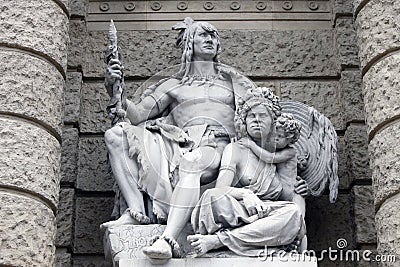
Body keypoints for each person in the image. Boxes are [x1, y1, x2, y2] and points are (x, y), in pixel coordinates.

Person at [101, 18, 309, 261]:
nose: (211, 39)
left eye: (214, 36)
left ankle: (167, 240)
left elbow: (261, 116)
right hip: (180, 145)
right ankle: (136, 211)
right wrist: (115, 89)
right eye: (204, 35)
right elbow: (136, 115)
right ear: (189, 42)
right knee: (115, 135)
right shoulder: (173, 85)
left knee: (194, 161)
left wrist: (282, 160)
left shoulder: (232, 82)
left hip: (220, 146)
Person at [188, 87, 306, 257]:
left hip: (267, 214)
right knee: (211, 198)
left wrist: (300, 191)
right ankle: (242, 237)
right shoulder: (235, 149)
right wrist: (245, 195)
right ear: (243, 120)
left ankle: (219, 240)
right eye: (251, 115)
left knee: (292, 214)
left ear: (273, 120)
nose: (256, 120)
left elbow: (289, 198)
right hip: (238, 210)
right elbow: (220, 189)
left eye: (262, 115)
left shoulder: (281, 156)